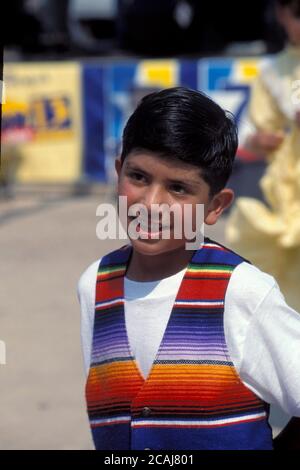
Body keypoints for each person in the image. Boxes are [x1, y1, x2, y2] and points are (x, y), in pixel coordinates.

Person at [77, 87, 300, 450]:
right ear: (118, 172)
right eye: (138, 177)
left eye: (178, 188)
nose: (152, 204)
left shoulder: (241, 292)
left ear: (215, 205)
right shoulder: (95, 286)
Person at [226, 0, 300, 313]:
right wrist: (262, 140)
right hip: (286, 192)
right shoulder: (272, 73)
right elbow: (254, 139)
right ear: (282, 14)